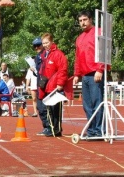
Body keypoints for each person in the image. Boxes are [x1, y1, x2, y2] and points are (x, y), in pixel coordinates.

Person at [73, 10, 105, 138]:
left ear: (91, 19)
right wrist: (76, 74)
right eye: (80, 21)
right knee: (87, 105)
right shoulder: (79, 38)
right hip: (85, 75)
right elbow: (77, 58)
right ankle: (91, 131)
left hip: (95, 73)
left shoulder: (99, 32)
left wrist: (100, 69)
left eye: (85, 20)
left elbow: (103, 52)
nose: (83, 23)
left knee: (97, 103)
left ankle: (98, 130)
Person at [39, 33, 68, 137]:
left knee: (56, 110)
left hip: (55, 86)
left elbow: (62, 70)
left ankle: (57, 129)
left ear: (52, 41)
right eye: (43, 43)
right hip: (47, 86)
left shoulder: (58, 54)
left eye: (47, 42)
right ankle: (52, 128)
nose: (45, 45)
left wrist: (60, 83)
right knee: (49, 109)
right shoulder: (46, 54)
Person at [32, 37, 49, 135]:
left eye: (38, 45)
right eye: (34, 46)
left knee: (44, 107)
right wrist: (34, 70)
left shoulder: (45, 55)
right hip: (40, 83)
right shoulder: (38, 56)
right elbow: (39, 72)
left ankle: (49, 127)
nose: (36, 48)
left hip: (46, 84)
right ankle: (46, 126)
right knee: (40, 107)